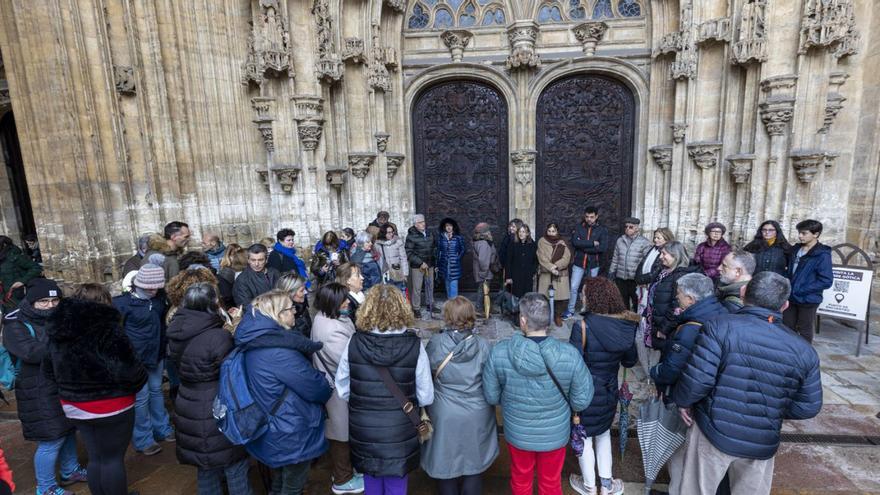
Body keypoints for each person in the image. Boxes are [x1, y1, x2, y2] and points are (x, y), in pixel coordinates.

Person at [673, 272, 822, 495]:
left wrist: (683, 402)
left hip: (713, 429)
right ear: (785, 305)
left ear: (743, 293)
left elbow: (698, 379)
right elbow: (808, 406)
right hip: (762, 438)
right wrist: (771, 407)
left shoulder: (719, 327)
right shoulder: (804, 350)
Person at [483, 293, 594, 495]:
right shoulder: (570, 355)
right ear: (548, 320)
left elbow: (491, 396)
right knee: (551, 482)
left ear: (523, 321)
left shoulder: (500, 352)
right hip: (555, 434)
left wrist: (510, 399)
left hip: (518, 432)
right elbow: (582, 400)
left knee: (521, 479)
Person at [45, 284, 147, 495]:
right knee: (111, 459)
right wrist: (138, 382)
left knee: (96, 457)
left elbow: (48, 369)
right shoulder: (108, 327)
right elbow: (128, 369)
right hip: (111, 404)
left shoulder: (58, 327)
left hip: (74, 404)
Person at [335, 284, 435, 495]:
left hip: (364, 425)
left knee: (371, 476)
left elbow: (342, 388)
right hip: (400, 426)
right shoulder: (414, 346)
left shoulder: (354, 343)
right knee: (396, 479)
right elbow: (426, 394)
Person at [234, 290, 329, 495]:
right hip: (289, 429)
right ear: (278, 315)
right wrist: (324, 383)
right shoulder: (279, 352)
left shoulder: (257, 341)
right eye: (290, 309)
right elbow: (315, 388)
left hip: (272, 424)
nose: (294, 312)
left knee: (279, 479)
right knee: (293, 486)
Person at [3, 279, 86, 495]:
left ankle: (70, 471)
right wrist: (65, 339)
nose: (50, 306)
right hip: (37, 388)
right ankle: (45, 486)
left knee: (67, 430)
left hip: (61, 383)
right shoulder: (15, 323)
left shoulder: (60, 317)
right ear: (32, 302)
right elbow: (32, 353)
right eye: (43, 301)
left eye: (55, 300)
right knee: (51, 438)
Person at [167, 283, 252, 495]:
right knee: (234, 464)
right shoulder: (217, 336)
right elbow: (231, 371)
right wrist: (236, 327)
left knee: (205, 468)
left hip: (189, 401)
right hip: (216, 402)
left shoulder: (176, 330)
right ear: (212, 304)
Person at [648, 273, 728, 494]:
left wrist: (654, 373)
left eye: (680, 295)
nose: (677, 299)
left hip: (683, 394)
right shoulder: (719, 313)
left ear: (692, 299)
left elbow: (673, 368)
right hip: (708, 397)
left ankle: (676, 489)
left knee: (679, 448)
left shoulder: (691, 327)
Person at [421, 296, 498, 495]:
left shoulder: (436, 343)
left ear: (447, 316)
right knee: (474, 465)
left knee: (445, 465)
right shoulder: (483, 345)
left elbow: (426, 377)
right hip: (477, 411)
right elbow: (491, 384)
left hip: (444, 413)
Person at [568, 278, 637, 495]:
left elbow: (573, 364)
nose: (582, 296)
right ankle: (606, 486)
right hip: (609, 389)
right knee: (604, 433)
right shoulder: (626, 326)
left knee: (584, 435)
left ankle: (589, 486)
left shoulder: (582, 326)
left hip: (585, 390)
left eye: (585, 293)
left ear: (593, 298)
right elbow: (629, 361)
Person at [113, 264, 174, 456]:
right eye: (149, 287)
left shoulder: (158, 301)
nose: (153, 290)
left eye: (156, 287)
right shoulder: (122, 304)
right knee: (141, 398)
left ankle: (162, 428)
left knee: (156, 392)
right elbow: (116, 332)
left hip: (156, 355)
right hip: (134, 359)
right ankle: (143, 439)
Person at [310, 283, 365, 495]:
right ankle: (342, 480)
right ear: (333, 302)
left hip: (337, 389)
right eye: (343, 300)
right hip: (337, 391)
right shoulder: (331, 330)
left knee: (342, 433)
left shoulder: (326, 318)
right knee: (340, 436)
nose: (347, 303)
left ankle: (347, 473)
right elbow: (347, 362)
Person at [633, 227, 675, 376]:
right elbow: (641, 267)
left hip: (650, 294)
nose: (656, 240)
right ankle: (646, 365)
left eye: (659, 238)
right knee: (641, 326)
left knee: (647, 330)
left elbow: (654, 273)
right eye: (655, 237)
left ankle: (651, 370)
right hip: (643, 289)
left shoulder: (665, 258)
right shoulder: (653, 250)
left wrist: (644, 280)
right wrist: (638, 278)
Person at [784, 219, 833, 343]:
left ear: (815, 234)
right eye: (799, 233)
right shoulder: (795, 250)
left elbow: (826, 280)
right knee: (787, 327)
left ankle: (805, 358)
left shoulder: (822, 254)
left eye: (804, 233)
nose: (800, 236)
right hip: (791, 296)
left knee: (804, 330)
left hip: (808, 299)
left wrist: (800, 289)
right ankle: (789, 354)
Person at [643, 241, 697, 350]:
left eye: (664, 254)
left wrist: (664, 329)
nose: (660, 257)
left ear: (675, 256)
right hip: (654, 321)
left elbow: (676, 306)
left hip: (664, 328)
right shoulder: (663, 272)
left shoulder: (680, 276)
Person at [564, 206, 609, 319]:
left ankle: (589, 310)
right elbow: (575, 242)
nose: (589, 219)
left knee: (591, 288)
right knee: (574, 287)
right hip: (579, 262)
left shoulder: (602, 230)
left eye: (592, 217)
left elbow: (603, 248)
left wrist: (583, 245)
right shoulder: (579, 227)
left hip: (594, 264)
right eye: (587, 216)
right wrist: (593, 243)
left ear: (596, 216)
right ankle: (570, 310)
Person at [607, 217, 652, 311]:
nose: (627, 229)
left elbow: (646, 263)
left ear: (637, 228)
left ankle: (636, 323)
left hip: (635, 279)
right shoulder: (620, 240)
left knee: (637, 302)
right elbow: (615, 258)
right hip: (621, 278)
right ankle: (625, 321)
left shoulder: (644, 243)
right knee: (622, 302)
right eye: (626, 226)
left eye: (630, 227)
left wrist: (644, 279)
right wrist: (611, 273)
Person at [536, 223, 572, 324]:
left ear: (557, 231)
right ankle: (545, 317)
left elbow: (567, 257)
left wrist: (556, 266)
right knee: (545, 297)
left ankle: (557, 316)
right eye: (549, 231)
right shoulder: (542, 241)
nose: (551, 233)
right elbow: (541, 257)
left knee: (559, 298)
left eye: (553, 231)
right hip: (547, 272)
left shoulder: (562, 242)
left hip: (559, 273)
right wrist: (551, 268)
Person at [405, 214, 436, 319]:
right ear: (415, 225)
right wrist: (420, 263)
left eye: (423, 222)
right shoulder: (411, 236)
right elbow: (409, 252)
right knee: (417, 288)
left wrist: (434, 262)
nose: (423, 224)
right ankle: (416, 308)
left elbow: (434, 248)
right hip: (417, 266)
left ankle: (430, 304)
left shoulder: (429, 233)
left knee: (430, 285)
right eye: (420, 222)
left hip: (430, 264)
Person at [0, 235, 42, 311]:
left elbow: (36, 268)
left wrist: (22, 281)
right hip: (4, 299)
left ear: (3, 245)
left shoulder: (15, 257)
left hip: (19, 296)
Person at [504, 224, 537, 300]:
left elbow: (535, 260)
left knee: (527, 296)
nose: (521, 234)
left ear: (527, 233)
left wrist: (532, 271)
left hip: (527, 275)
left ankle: (526, 311)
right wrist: (508, 276)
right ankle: (516, 311)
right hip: (515, 275)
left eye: (523, 232)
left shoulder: (532, 245)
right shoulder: (512, 244)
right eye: (519, 231)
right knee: (516, 297)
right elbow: (508, 261)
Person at [436, 218, 466, 300]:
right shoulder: (441, 238)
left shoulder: (458, 238)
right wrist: (438, 264)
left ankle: (454, 306)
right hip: (444, 265)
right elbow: (438, 251)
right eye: (447, 226)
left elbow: (463, 249)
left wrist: (457, 258)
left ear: (453, 227)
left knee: (453, 286)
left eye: (450, 226)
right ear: (444, 227)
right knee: (447, 285)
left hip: (454, 265)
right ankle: (450, 304)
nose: (449, 227)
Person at [471, 223, 497, 315]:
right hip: (484, 272)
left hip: (484, 271)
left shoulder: (480, 240)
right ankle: (479, 308)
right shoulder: (483, 243)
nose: (490, 232)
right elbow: (483, 260)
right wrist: (484, 273)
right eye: (488, 230)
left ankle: (487, 307)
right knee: (483, 290)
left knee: (485, 290)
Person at [276, 272, 312, 338]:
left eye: (305, 289)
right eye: (302, 290)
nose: (306, 292)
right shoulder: (284, 316)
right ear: (290, 293)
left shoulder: (302, 306)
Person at [376, 223, 409, 291]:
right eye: (389, 232)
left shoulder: (398, 242)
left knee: (399, 293)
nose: (391, 234)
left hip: (397, 272)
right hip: (385, 273)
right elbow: (378, 260)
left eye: (392, 232)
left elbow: (403, 258)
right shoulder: (378, 244)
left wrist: (405, 274)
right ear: (383, 233)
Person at [217, 243, 246, 309]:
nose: (237, 257)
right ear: (228, 255)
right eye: (234, 255)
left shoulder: (238, 268)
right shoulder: (227, 270)